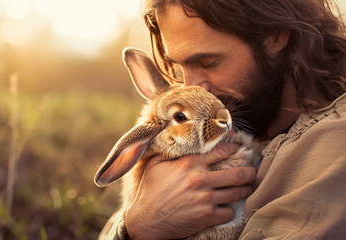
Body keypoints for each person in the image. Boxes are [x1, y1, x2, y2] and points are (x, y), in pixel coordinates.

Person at [99, 0, 346, 239]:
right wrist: (135, 227)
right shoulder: (197, 137)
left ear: (273, 36)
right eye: (179, 68)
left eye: (208, 62)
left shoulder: (334, 143)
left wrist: (142, 230)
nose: (192, 87)